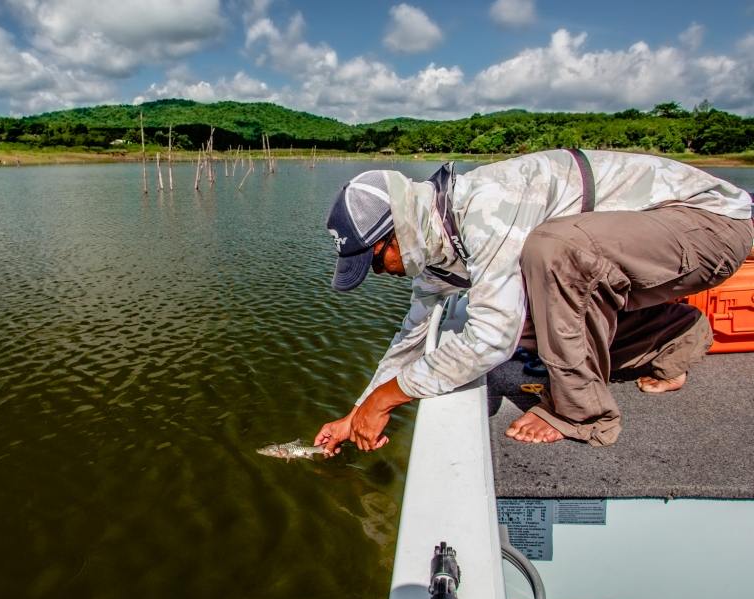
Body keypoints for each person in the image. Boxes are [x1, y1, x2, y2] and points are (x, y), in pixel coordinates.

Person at [314, 149, 753, 454]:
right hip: (643, 251)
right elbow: (411, 336)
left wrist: (387, 400)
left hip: (709, 225)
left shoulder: (485, 206)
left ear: (399, 232)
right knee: (525, 319)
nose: (380, 273)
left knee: (552, 251)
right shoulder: (439, 243)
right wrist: (357, 411)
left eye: (374, 261)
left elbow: (491, 340)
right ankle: (675, 337)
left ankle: (580, 414)